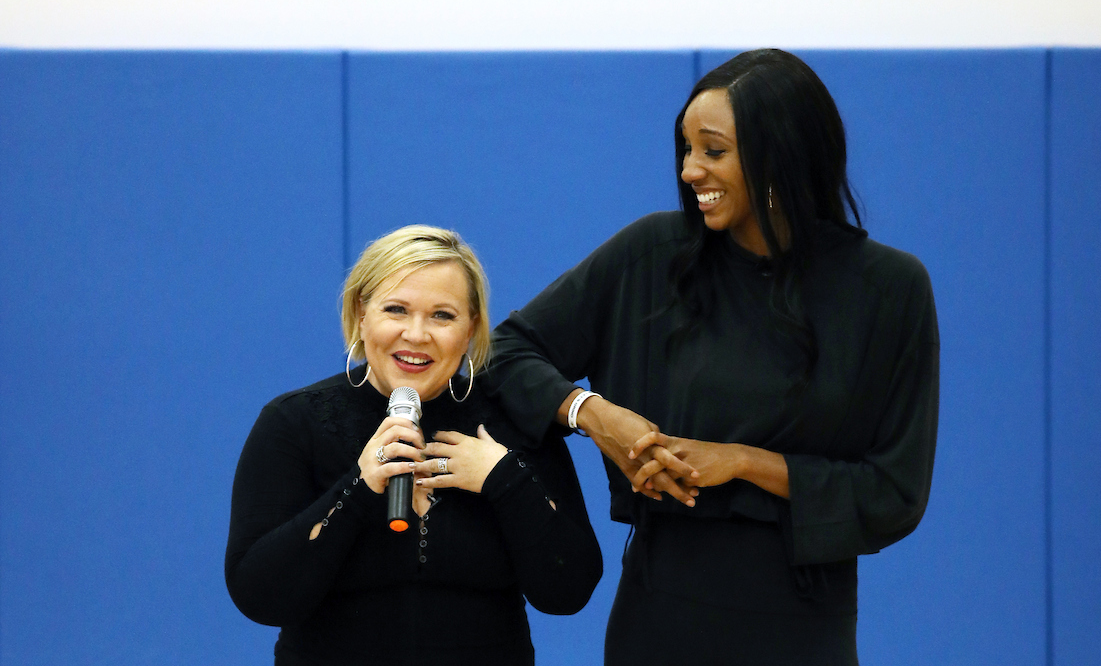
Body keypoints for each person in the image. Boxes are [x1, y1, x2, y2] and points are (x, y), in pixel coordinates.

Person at [481, 49, 939, 665]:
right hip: (658, 618)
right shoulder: (651, 255)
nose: (690, 170)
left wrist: (742, 462)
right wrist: (593, 414)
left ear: (781, 155)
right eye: (686, 149)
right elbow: (503, 352)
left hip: (802, 628)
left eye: (713, 151)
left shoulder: (889, 289)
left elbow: (894, 491)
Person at [226, 225, 602, 666]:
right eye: (396, 310)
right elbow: (261, 597)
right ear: (361, 314)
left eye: (442, 315)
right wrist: (359, 487)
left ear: (471, 329)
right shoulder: (293, 422)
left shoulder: (515, 421)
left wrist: (505, 480)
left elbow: (568, 591)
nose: (417, 335)